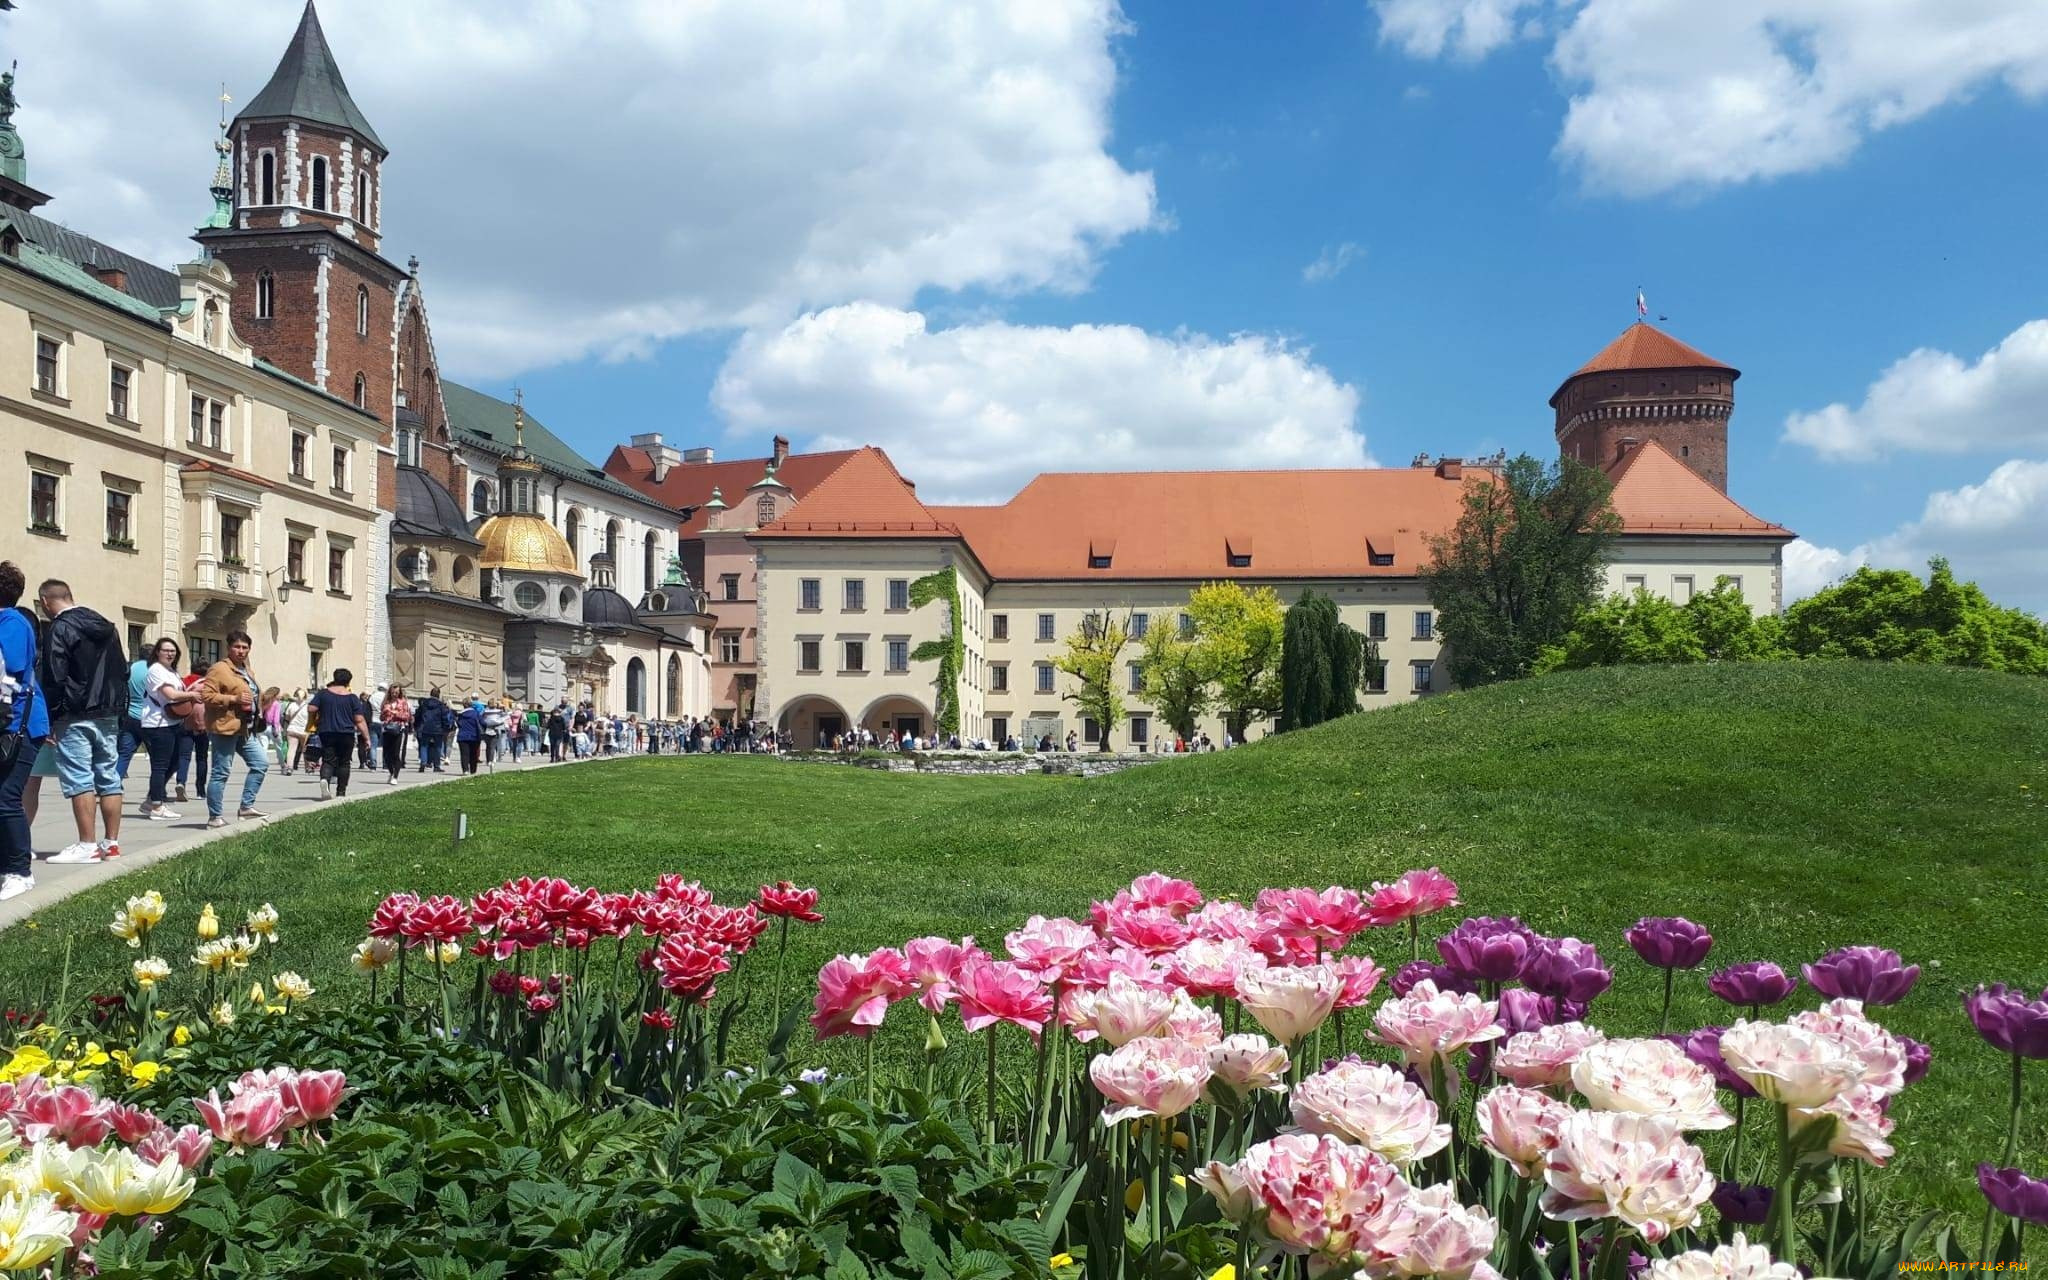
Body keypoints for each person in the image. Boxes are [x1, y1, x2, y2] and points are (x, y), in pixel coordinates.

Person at [36, 579, 128, 863]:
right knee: (109, 777)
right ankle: (111, 843)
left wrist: (50, 715)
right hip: (108, 710)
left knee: (79, 778)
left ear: (45, 601)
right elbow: (121, 669)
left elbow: (55, 674)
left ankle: (86, 844)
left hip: (74, 713)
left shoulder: (59, 628)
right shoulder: (107, 627)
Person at [0, 563, 50, 901]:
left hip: (18, 723)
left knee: (7, 797)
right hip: (10, 721)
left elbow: (14, 670)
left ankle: (19, 871)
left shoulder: (12, 622)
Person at [200, 629, 268, 829]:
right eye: (237, 647)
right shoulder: (219, 669)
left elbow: (253, 693)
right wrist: (233, 699)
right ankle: (215, 817)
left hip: (245, 728)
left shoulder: (246, 669)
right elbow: (206, 696)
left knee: (260, 763)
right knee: (220, 772)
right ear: (228, 648)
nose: (241, 651)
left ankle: (246, 807)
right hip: (224, 727)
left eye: (245, 647)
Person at [137, 637, 199, 821]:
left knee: (174, 763)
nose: (170, 653)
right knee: (160, 765)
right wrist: (192, 694)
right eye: (166, 650)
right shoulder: (156, 669)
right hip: (158, 723)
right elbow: (170, 695)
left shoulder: (170, 671)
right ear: (158, 652)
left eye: (173, 651)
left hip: (171, 722)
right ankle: (156, 805)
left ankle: (151, 800)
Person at [308, 669, 368, 799]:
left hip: (326, 731)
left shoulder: (323, 694)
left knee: (328, 760)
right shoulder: (352, 698)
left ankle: (325, 780)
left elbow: (311, 708)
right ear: (348, 681)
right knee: (344, 762)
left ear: (334, 678)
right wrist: (367, 738)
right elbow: (359, 720)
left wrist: (318, 714)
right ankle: (341, 792)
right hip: (346, 733)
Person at [379, 684, 412, 783]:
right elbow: (381, 717)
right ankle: (391, 771)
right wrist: (385, 713)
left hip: (398, 729)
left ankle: (395, 777)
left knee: (395, 754)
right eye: (393, 692)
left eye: (397, 692)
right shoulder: (386, 702)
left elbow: (407, 716)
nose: (394, 694)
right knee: (386, 755)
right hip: (387, 729)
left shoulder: (403, 703)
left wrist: (394, 713)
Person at [415, 686, 449, 772]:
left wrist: (416, 726)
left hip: (425, 727)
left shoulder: (424, 703)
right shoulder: (441, 705)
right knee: (438, 747)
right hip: (438, 728)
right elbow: (444, 717)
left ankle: (423, 763)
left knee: (424, 746)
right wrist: (446, 728)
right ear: (438, 695)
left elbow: (418, 715)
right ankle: (436, 766)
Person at [456, 697, 484, 775]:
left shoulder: (460, 714)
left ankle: (465, 770)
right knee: (473, 754)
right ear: (471, 704)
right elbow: (483, 723)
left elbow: (458, 724)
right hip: (474, 736)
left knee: (464, 754)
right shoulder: (475, 713)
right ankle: (473, 770)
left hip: (462, 736)